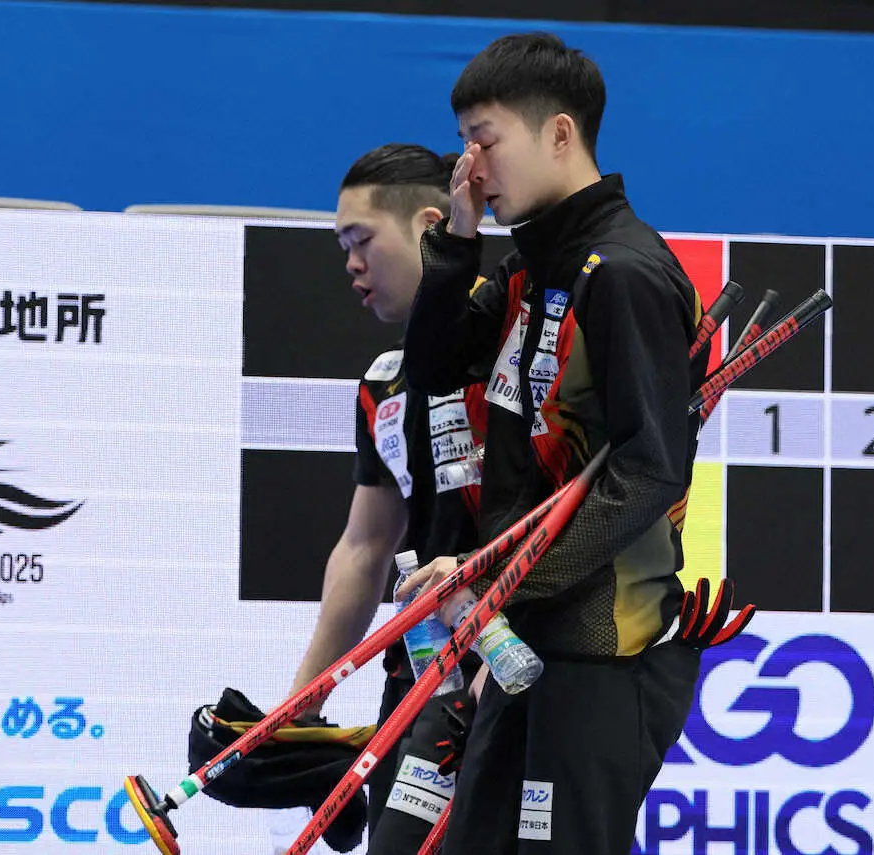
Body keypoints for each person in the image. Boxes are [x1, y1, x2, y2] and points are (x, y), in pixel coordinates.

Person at [395, 33, 746, 855]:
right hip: (520, 638)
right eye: (463, 144)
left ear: (558, 133)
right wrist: (457, 244)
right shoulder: (532, 267)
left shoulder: (621, 273)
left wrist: (495, 576)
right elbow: (434, 368)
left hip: (601, 652)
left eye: (485, 141)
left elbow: (650, 470)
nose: (471, 166)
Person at [286, 143, 488, 852]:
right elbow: (365, 546)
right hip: (421, 676)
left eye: (361, 240)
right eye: (342, 246)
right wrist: (301, 704)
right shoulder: (384, 384)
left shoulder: (520, 353)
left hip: (519, 664)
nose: (350, 264)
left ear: (431, 226)